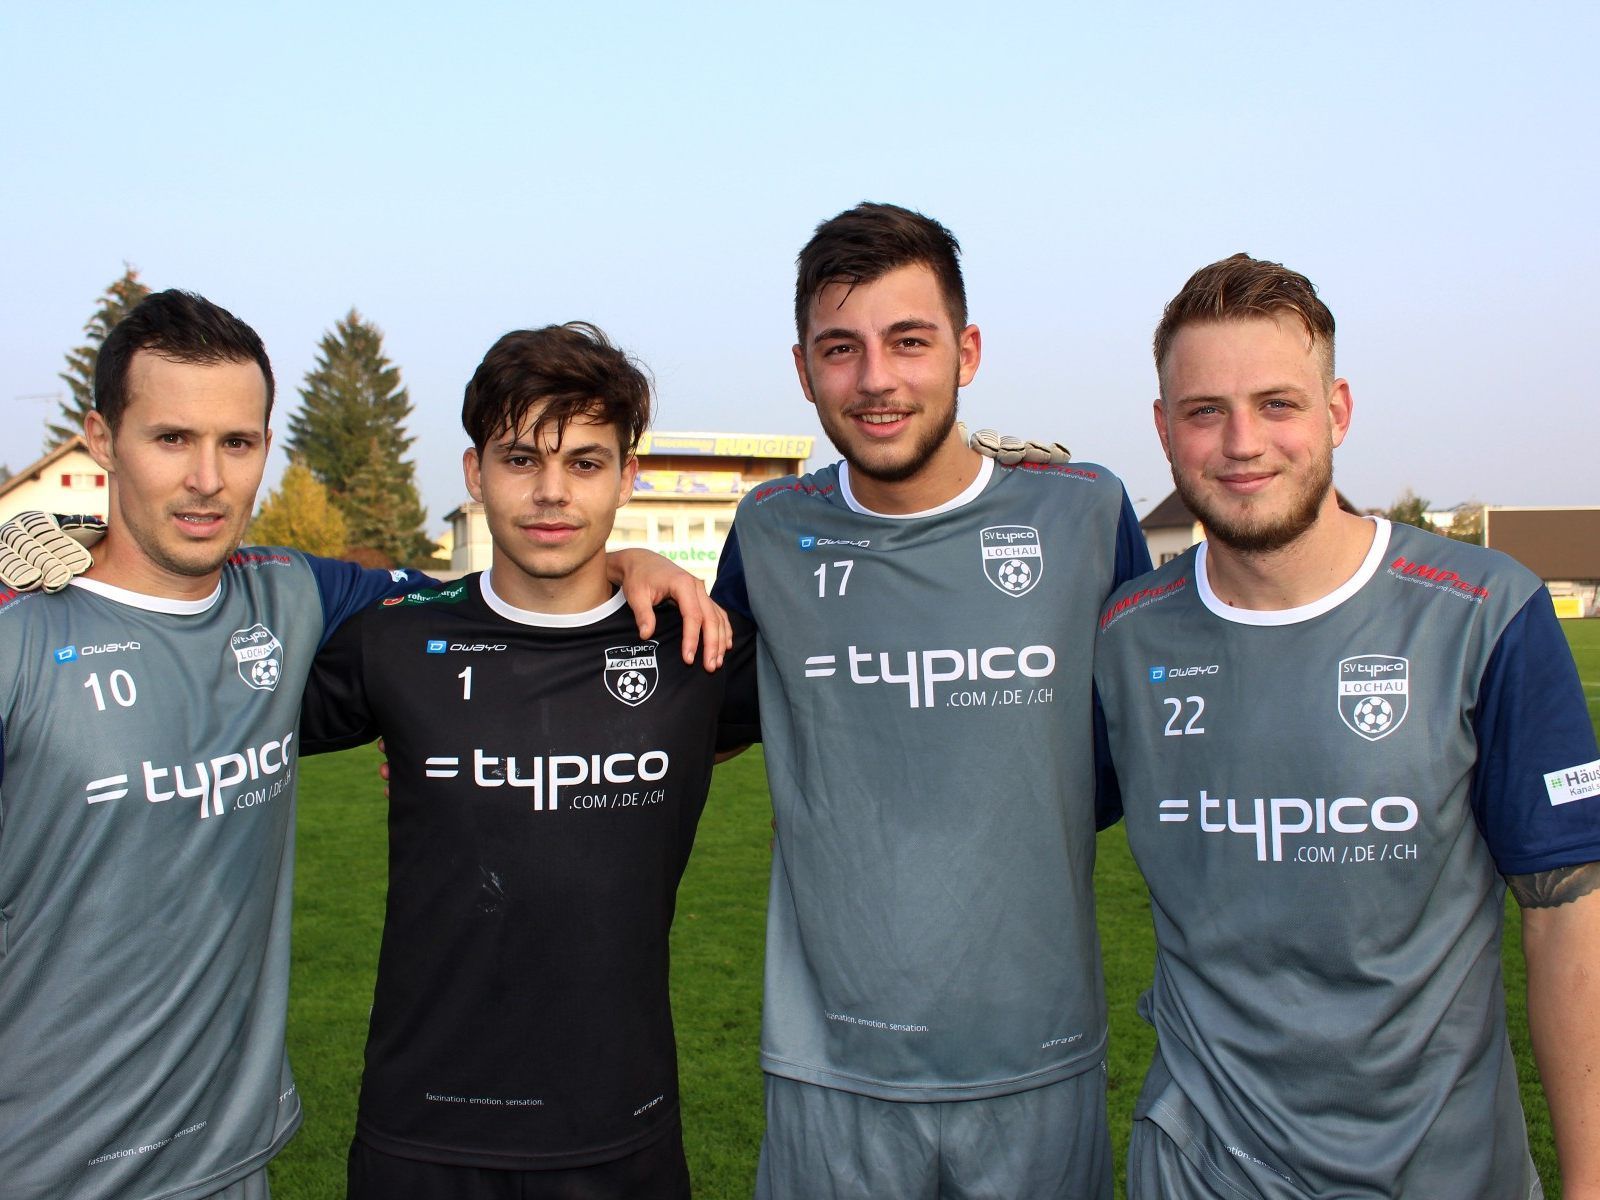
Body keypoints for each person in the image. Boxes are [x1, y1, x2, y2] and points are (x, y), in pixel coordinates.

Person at [0, 293, 724, 1200]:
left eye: (237, 442)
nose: (207, 479)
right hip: (40, 1162)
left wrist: (621, 567)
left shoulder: (294, 596)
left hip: (228, 1157)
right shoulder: (19, 634)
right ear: (102, 442)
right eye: (171, 439)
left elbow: (476, 600)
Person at [1093, 253, 1600, 1198]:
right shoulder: (1124, 635)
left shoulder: (1485, 614)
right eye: (1205, 411)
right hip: (1203, 1170)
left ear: (1338, 410)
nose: (1243, 441)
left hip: (1443, 1174)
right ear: (1164, 430)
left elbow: (1569, 915)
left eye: (1278, 404)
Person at [711, 202, 1151, 1200]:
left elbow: (1141, 747)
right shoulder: (771, 529)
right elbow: (699, 727)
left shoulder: (1081, 511)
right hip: (832, 1070)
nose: (876, 379)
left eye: (909, 342)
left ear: (967, 349)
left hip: (1038, 1060)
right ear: (802, 368)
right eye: (841, 348)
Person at [296, 323, 757, 1200]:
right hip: (424, 1136)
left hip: (620, 1134)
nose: (552, 494)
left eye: (585, 463)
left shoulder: (693, 648)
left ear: (628, 477)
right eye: (520, 459)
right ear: (475, 473)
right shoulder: (394, 642)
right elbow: (214, 670)